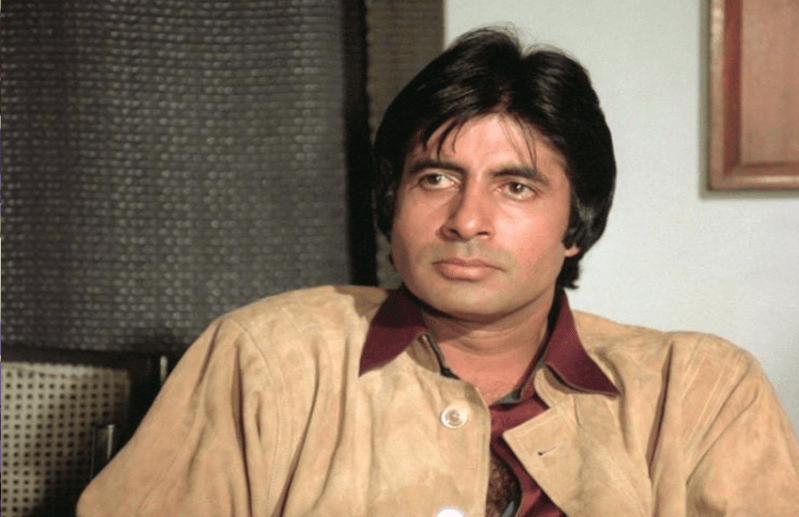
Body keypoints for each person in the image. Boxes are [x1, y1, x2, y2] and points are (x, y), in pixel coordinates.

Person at [77, 28, 799, 517]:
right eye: (435, 178)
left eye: (515, 186)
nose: (466, 219)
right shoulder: (265, 358)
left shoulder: (698, 390)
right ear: (391, 202)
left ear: (576, 226)